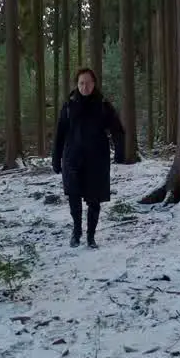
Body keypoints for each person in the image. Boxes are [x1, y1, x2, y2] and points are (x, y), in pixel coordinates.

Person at [51, 68, 127, 249]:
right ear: (77, 85)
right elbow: (60, 133)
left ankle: (91, 236)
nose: (85, 86)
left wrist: (119, 151)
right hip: (72, 158)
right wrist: (56, 158)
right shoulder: (69, 106)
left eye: (88, 82)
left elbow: (117, 129)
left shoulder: (103, 105)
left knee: (94, 199)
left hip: (97, 159)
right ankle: (76, 232)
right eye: (81, 83)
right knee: (74, 197)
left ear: (94, 84)